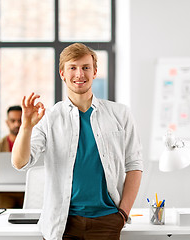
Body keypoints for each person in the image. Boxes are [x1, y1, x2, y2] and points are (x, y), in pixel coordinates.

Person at [12, 43, 143, 240]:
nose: (79, 74)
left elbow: (134, 165)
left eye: (85, 67)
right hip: (63, 223)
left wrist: (122, 214)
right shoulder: (50, 117)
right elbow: (20, 163)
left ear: (95, 71)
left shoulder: (120, 114)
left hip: (107, 220)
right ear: (62, 73)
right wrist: (26, 127)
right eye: (72, 68)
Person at [0, 105, 25, 208]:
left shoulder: (34, 144)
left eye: (20, 120)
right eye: (13, 121)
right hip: (3, 193)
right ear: (7, 122)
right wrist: (5, 176)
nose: (17, 124)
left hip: (27, 192)